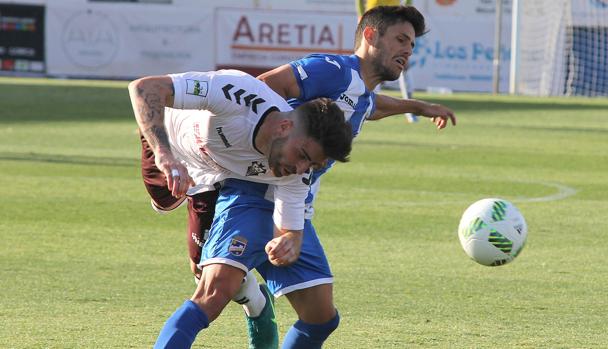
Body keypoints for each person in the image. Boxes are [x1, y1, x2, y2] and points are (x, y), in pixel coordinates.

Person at [167, 5, 457, 348]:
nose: (408, 50)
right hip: (254, 190)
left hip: (293, 203)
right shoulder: (332, 70)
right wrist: (265, 156)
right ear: (370, 35)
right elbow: (262, 91)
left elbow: (370, 107)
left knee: (321, 317)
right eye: (401, 39)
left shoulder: (358, 92)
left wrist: (419, 107)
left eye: (411, 44)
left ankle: (254, 299)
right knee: (211, 294)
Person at [128, 69, 354, 349]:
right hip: (170, 148)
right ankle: (252, 294)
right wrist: (164, 155)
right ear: (284, 127)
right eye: (303, 156)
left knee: (213, 286)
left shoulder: (296, 171)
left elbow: (291, 225)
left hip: (220, 181)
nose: (300, 169)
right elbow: (143, 87)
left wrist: (290, 240)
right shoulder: (237, 93)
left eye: (311, 166)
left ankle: (255, 305)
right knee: (189, 250)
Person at [357, 0, 418, 122]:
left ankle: (410, 111)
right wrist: (361, 14)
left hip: (395, 22)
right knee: (372, 62)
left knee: (403, 64)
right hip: (374, 20)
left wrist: (406, 13)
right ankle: (368, 107)